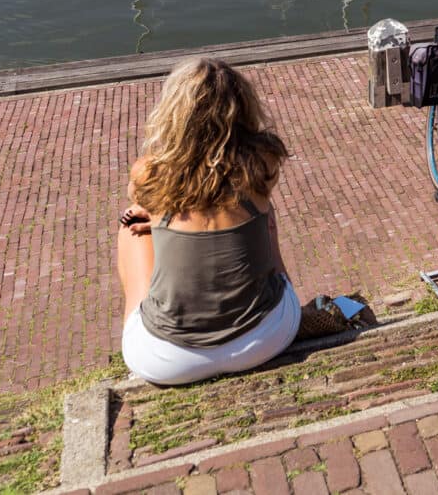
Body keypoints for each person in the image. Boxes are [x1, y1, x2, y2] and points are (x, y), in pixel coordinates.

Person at [115, 59, 300, 387]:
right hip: (266, 338)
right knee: (265, 215)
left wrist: (160, 218)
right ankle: (280, 285)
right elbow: (218, 190)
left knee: (131, 228)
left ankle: (141, 315)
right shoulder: (262, 161)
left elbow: (142, 196)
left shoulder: (150, 173)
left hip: (168, 361)